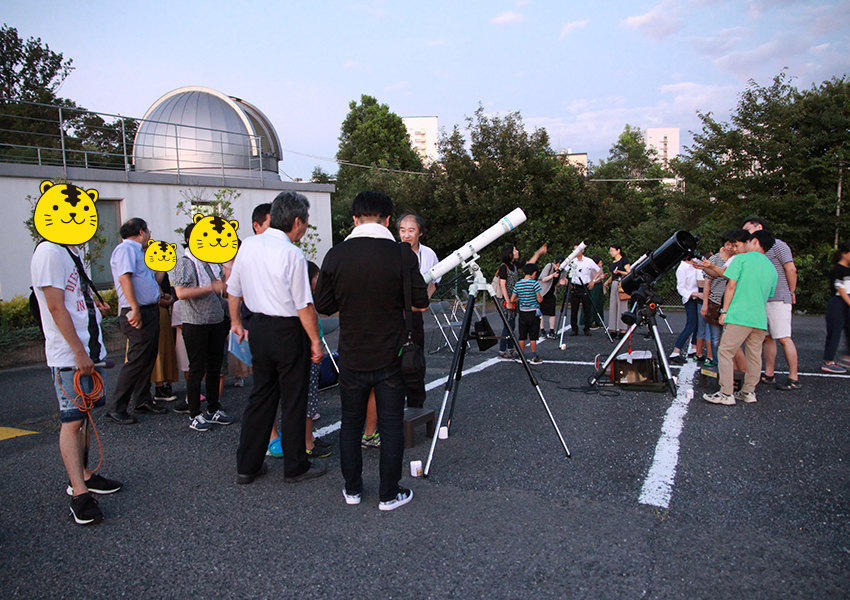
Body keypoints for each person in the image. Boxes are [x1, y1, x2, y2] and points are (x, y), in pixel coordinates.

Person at [314, 191, 428, 511]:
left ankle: (352, 489)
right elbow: (420, 301)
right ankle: (389, 494)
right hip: (391, 355)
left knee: (350, 423)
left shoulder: (336, 255)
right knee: (390, 425)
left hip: (351, 354)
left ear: (354, 219)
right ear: (388, 220)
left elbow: (323, 304)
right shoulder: (403, 255)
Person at [228, 191, 326, 485]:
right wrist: (315, 341)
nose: (305, 228)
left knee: (261, 396)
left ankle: (247, 465)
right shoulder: (292, 254)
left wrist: (235, 321)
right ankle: (295, 466)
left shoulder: (248, 245)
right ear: (296, 221)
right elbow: (303, 305)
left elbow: (233, 288)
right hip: (287, 330)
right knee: (293, 398)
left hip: (257, 327)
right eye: (306, 222)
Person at [31, 240, 123, 525]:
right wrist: (78, 352)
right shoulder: (49, 252)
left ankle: (84, 475)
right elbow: (55, 306)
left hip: (90, 350)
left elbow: (72, 296)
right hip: (70, 355)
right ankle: (79, 494)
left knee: (83, 418)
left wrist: (94, 305)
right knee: (71, 422)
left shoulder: (71, 251)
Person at [171, 222, 234, 432]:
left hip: (215, 321)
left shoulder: (211, 262)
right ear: (190, 240)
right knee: (197, 369)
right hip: (195, 323)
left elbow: (223, 285)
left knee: (215, 368)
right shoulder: (185, 262)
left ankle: (214, 408)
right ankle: (194, 414)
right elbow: (180, 293)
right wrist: (210, 287)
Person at [704, 230, 777, 406]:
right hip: (759, 318)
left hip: (739, 315)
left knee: (725, 351)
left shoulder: (742, 259)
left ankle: (726, 393)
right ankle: (748, 391)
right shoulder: (772, 267)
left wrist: (724, 312)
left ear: (755, 242)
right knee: (754, 356)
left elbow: (731, 286)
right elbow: (769, 294)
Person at [108, 218, 167, 424]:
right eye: (148, 230)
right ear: (141, 231)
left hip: (149, 309)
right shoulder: (126, 250)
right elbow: (125, 278)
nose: (150, 234)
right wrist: (134, 308)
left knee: (147, 357)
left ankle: (142, 399)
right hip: (137, 311)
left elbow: (147, 281)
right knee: (136, 359)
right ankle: (117, 407)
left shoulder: (140, 253)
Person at [742, 217, 800, 390]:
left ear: (758, 227)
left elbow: (791, 268)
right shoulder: (751, 249)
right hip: (761, 298)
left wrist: (791, 291)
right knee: (766, 337)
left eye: (748, 229)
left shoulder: (778, 245)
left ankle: (793, 377)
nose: (746, 233)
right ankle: (769, 373)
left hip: (778, 297)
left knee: (783, 337)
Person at [396, 212, 438, 408]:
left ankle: (416, 405)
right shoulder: (392, 252)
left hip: (416, 316)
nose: (406, 235)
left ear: (420, 232)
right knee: (393, 362)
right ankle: (393, 405)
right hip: (395, 316)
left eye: (411, 230)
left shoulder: (428, 254)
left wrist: (422, 304)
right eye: (402, 230)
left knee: (415, 360)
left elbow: (433, 283)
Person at [498, 243, 546, 357]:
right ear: (510, 254)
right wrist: (508, 301)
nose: (517, 251)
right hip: (507, 300)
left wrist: (538, 253)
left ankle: (510, 349)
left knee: (512, 325)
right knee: (508, 325)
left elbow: (529, 264)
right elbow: (502, 285)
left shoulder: (513, 265)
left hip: (514, 299)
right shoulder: (504, 267)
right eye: (515, 250)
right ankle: (502, 350)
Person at [822, 241, 850, 373]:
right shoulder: (837, 270)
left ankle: (847, 357)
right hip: (838, 303)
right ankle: (828, 362)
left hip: (847, 303)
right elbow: (841, 288)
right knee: (835, 332)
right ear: (844, 254)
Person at [669, 260, 703, 363]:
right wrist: (695, 294)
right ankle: (676, 351)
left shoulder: (696, 263)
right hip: (690, 298)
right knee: (691, 324)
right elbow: (680, 288)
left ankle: (693, 348)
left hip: (699, 296)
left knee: (699, 324)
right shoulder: (682, 268)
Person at [510, 263, 543, 363]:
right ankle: (533, 356)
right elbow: (539, 299)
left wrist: (521, 298)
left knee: (522, 334)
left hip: (522, 312)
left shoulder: (518, 284)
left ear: (524, 272)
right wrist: (540, 298)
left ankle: (521, 355)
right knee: (533, 335)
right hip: (533, 312)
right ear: (534, 273)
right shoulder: (534, 283)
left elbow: (512, 299)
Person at [564, 243, 600, 336]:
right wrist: (568, 281)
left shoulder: (588, 261)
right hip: (575, 285)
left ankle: (587, 328)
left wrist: (593, 281)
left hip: (585, 286)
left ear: (582, 250)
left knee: (587, 308)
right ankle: (574, 329)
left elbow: (598, 270)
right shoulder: (572, 261)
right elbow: (565, 271)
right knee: (574, 309)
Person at [603, 244, 631, 338]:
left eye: (612, 250)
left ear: (618, 250)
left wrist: (619, 271)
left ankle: (623, 330)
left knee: (622, 306)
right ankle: (613, 329)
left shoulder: (624, 260)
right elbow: (612, 275)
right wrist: (607, 282)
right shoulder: (612, 263)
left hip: (622, 283)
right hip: (614, 283)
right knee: (613, 306)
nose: (611, 253)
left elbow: (628, 272)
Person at [537, 257, 562, 339]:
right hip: (543, 292)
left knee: (552, 312)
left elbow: (559, 282)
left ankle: (552, 330)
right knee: (541, 312)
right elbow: (543, 279)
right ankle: (542, 330)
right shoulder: (549, 266)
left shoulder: (562, 271)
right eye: (557, 264)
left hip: (552, 292)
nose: (558, 267)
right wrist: (552, 275)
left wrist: (562, 282)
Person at [581, 255, 606, 331]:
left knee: (599, 303)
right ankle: (589, 321)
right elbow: (591, 279)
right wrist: (599, 278)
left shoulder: (600, 268)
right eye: (599, 263)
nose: (600, 265)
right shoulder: (590, 268)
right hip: (592, 285)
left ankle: (598, 320)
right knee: (592, 303)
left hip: (599, 285)